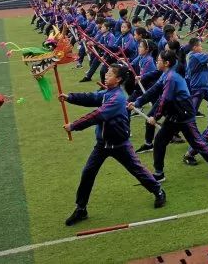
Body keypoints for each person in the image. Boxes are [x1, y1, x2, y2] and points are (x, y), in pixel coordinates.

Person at [60, 64, 165, 226]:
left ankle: (158, 190)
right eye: (107, 73)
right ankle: (81, 209)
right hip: (102, 145)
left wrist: (74, 125)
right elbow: (91, 97)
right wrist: (70, 97)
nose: (106, 76)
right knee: (88, 172)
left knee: (137, 169)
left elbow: (97, 115)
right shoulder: (107, 93)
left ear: (118, 80)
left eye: (110, 74)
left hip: (119, 144)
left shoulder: (118, 98)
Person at [130, 51, 208, 181]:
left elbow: (165, 100)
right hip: (174, 114)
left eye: (159, 60)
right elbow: (154, 90)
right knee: (160, 141)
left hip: (184, 114)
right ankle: (159, 173)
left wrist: (155, 117)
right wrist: (137, 102)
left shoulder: (171, 77)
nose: (157, 62)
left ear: (167, 63)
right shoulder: (165, 74)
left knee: (196, 142)